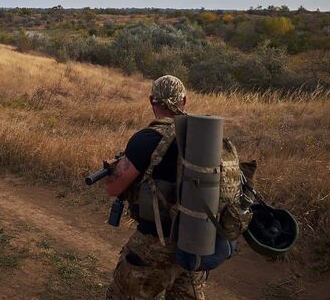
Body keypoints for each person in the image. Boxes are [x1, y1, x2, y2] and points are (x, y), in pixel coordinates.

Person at [103, 75, 249, 300]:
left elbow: (113, 188)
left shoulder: (146, 140)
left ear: (152, 100)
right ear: (185, 100)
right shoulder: (204, 139)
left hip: (156, 243)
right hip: (197, 239)